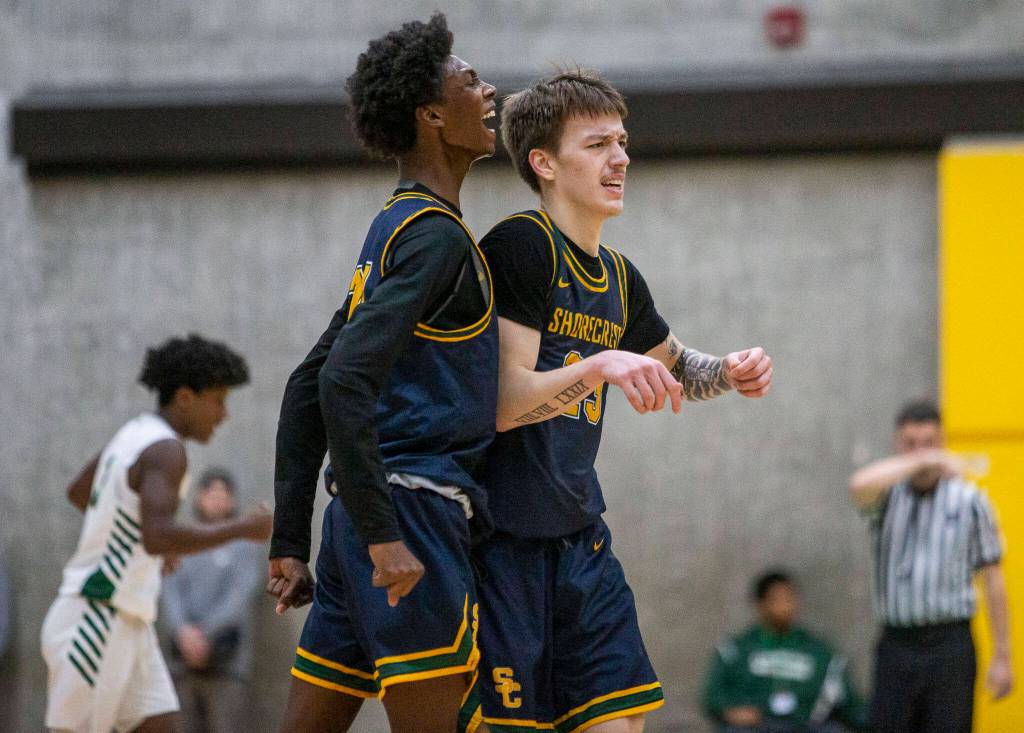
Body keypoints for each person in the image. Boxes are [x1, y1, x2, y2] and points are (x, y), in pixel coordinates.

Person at [461, 70, 774, 733]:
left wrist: (731, 368)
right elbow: (505, 402)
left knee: (622, 722)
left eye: (623, 142)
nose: (621, 158)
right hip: (503, 543)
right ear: (545, 163)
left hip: (580, 539)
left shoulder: (619, 277)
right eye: (599, 143)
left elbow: (679, 366)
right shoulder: (522, 246)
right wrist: (601, 364)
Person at [266, 13, 499, 733]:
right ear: (432, 113)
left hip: (355, 523)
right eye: (470, 80)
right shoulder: (435, 239)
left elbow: (308, 380)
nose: (490, 90)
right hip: (413, 518)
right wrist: (383, 534)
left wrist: (290, 541)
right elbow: (339, 381)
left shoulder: (393, 225)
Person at [40, 334, 272, 733]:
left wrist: (145, 546)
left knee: (161, 723)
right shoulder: (167, 450)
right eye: (218, 401)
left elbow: (81, 492)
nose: (224, 415)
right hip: (98, 615)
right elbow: (157, 534)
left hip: (130, 620)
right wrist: (243, 528)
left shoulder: (134, 433)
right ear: (185, 397)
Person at [849, 399, 1012, 733]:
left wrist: (1003, 654)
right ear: (898, 445)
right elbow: (859, 485)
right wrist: (921, 460)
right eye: (910, 444)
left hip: (950, 644)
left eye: (928, 444)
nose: (921, 454)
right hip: (897, 645)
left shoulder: (969, 502)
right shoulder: (887, 497)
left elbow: (993, 578)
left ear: (942, 443)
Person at [160, 468, 265, 733]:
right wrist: (183, 632)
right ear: (198, 498)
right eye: (210, 494)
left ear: (232, 500)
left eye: (223, 494)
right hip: (180, 661)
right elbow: (168, 589)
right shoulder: (181, 539)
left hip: (227, 665)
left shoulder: (245, 542)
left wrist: (205, 633)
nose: (216, 500)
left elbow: (241, 594)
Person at [701, 570, 868, 733]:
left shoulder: (819, 651)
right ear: (760, 604)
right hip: (755, 726)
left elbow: (849, 705)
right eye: (777, 600)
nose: (785, 606)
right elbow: (712, 698)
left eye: (790, 599)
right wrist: (732, 712)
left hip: (805, 725)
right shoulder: (735, 650)